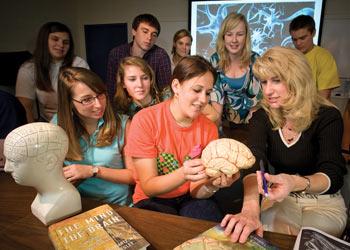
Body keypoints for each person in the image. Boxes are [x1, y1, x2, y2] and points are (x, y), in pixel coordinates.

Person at [221, 47, 347, 242]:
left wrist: (295, 182)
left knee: (310, 242)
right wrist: (250, 209)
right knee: (274, 238)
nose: (268, 90)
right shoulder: (262, 117)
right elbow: (254, 160)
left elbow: (333, 173)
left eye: (276, 80)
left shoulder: (328, 117)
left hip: (323, 201)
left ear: (297, 79)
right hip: (280, 197)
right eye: (264, 82)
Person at [124, 55, 239, 222]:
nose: (203, 100)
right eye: (197, 90)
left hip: (189, 198)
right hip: (153, 199)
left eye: (208, 93)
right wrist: (183, 174)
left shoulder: (208, 128)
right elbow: (148, 187)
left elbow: (195, 191)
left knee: (207, 230)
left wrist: (212, 185)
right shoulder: (145, 120)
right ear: (176, 86)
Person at [52, 67, 134, 205]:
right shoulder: (57, 125)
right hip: (77, 204)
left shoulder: (124, 125)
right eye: (87, 99)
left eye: (100, 94)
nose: (98, 104)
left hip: (119, 206)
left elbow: (134, 176)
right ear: (69, 103)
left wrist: (93, 171)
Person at [4, 122, 82, 225]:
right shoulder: (43, 197)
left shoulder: (68, 199)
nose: (6, 168)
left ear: (49, 161)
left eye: (14, 161)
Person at [15, 22, 89, 123]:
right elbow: (25, 106)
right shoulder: (29, 68)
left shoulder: (78, 63)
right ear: (44, 41)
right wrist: (33, 131)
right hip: (48, 123)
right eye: (55, 39)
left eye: (66, 42)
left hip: (78, 120)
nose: (60, 45)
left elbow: (88, 98)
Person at [205, 12, 262, 131]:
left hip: (251, 123)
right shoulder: (215, 61)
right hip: (223, 124)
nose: (234, 40)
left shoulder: (256, 60)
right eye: (229, 34)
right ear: (223, 37)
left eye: (240, 34)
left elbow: (255, 106)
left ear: (246, 36)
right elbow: (216, 108)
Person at [106, 13, 171, 101]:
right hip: (122, 107)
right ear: (134, 31)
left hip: (151, 107)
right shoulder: (116, 54)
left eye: (154, 35)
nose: (149, 38)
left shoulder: (160, 55)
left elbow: (166, 92)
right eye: (145, 32)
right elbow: (111, 89)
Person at [289, 15, 340, 100]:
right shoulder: (289, 57)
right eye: (294, 39)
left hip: (316, 111)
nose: (298, 43)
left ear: (313, 33)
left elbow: (323, 96)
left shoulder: (324, 57)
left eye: (302, 38)